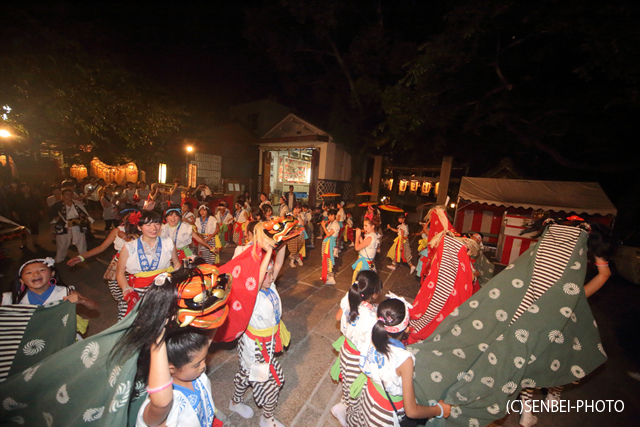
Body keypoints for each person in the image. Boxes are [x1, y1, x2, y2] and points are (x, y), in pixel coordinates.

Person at [346, 297, 451, 426]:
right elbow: (411, 411)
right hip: (384, 416)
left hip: (368, 401)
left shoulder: (372, 334)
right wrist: (439, 409)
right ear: (406, 328)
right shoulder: (403, 359)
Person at [229, 246, 289, 427]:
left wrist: (282, 240)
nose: (272, 276)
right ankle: (266, 418)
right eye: (268, 274)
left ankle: (234, 402)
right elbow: (259, 273)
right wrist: (268, 251)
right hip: (255, 346)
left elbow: (278, 263)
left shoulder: (270, 285)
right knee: (274, 381)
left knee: (245, 374)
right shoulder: (252, 294)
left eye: (272, 273)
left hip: (267, 342)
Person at [134, 327, 222, 427]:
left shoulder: (192, 367)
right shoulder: (166, 406)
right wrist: (158, 338)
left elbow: (208, 337)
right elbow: (161, 403)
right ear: (171, 368)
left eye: (204, 358)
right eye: (197, 364)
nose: (203, 366)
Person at [331, 270, 382, 426]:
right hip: (357, 357)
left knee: (347, 381)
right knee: (356, 389)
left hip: (345, 349)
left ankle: (341, 405)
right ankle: (351, 419)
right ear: (373, 294)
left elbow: (338, 317)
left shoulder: (349, 297)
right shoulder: (371, 317)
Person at [67, 211, 140, 320]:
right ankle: (126, 317)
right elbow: (101, 248)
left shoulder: (143, 232)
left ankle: (127, 319)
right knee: (120, 296)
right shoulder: (117, 230)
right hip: (117, 266)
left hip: (134, 267)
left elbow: (143, 248)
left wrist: (127, 239)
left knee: (132, 295)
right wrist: (81, 257)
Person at [116, 210, 181, 313]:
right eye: (148, 225)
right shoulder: (129, 247)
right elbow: (120, 273)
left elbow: (176, 263)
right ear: (139, 227)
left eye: (157, 223)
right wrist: (125, 288)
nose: (153, 228)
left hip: (164, 289)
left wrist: (178, 280)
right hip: (138, 292)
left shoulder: (168, 242)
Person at [2, 257, 97, 310]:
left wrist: (82, 301)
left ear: (52, 274)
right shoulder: (11, 298)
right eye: (29, 272)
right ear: (21, 280)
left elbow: (94, 306)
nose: (35, 274)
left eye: (42, 270)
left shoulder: (64, 292)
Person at [49, 189, 94, 263]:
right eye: (67, 194)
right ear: (63, 196)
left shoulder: (77, 203)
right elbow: (51, 214)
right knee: (62, 243)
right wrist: (55, 218)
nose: (69, 196)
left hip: (77, 225)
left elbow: (84, 212)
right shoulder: (58, 205)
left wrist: (84, 217)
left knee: (81, 241)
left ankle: (84, 255)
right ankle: (60, 258)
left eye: (71, 194)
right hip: (64, 226)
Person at [11, 183, 42, 249]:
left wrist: (40, 214)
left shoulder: (34, 196)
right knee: (22, 230)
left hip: (33, 215)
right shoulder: (16, 197)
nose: (26, 188)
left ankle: (35, 242)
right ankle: (24, 244)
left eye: (27, 187)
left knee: (34, 229)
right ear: (20, 189)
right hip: (22, 216)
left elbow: (40, 206)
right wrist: (15, 215)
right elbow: (13, 207)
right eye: (23, 187)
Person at [351, 218, 380, 283]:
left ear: (372, 226)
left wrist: (357, 236)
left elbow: (357, 248)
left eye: (366, 226)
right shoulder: (375, 235)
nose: (364, 228)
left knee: (358, 281)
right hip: (369, 262)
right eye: (364, 225)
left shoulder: (369, 238)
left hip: (363, 264)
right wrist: (361, 237)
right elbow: (365, 246)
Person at [321, 209, 340, 285]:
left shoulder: (335, 224)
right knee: (325, 258)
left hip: (330, 243)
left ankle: (331, 278)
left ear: (334, 215)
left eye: (330, 215)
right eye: (328, 215)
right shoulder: (331, 223)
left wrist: (323, 226)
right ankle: (327, 275)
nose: (329, 217)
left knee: (329, 260)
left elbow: (328, 234)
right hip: (327, 243)